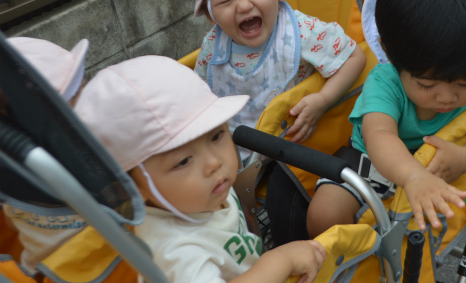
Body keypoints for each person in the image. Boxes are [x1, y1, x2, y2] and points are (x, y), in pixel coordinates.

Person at [307, 0, 466, 238]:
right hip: (372, 163)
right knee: (323, 214)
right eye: (426, 84)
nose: (446, 97)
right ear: (390, 53)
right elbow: (379, 134)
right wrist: (412, 176)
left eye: (465, 84)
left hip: (442, 165)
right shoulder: (386, 82)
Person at [186, 0, 366, 246]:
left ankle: (292, 258)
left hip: (291, 146)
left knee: (286, 203)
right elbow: (199, 94)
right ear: (210, 13)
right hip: (233, 148)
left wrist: (323, 99)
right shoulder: (214, 45)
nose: (244, 5)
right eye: (226, 1)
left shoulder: (300, 32)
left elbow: (355, 57)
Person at [74, 56, 326, 283]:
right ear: (130, 187)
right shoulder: (176, 252)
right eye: (183, 161)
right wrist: (281, 261)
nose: (214, 163)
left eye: (216, 136)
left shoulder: (202, 193)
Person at [1, 37, 90, 274]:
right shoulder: (96, 169)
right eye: (82, 92)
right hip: (101, 268)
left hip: (41, 273)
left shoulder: (13, 178)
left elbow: (11, 224)